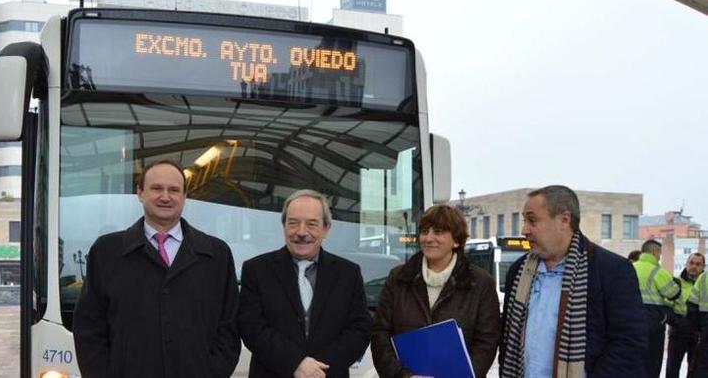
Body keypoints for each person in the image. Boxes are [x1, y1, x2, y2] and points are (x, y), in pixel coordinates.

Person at [73, 160, 241, 378]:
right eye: (156, 188)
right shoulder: (107, 252)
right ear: (140, 193)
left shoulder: (216, 254)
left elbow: (230, 326)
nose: (165, 197)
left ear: (184, 196)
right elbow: (89, 327)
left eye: (174, 190)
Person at [500, 185, 647, 378]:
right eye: (524, 220)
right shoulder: (519, 271)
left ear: (564, 219)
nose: (524, 229)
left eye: (532, 220)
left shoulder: (612, 270)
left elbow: (629, 342)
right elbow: (507, 339)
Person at [238, 189, 370, 378]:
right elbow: (251, 326)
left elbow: (359, 330)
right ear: (283, 225)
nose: (301, 232)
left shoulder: (348, 273)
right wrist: (295, 363)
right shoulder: (256, 270)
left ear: (326, 228)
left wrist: (316, 370)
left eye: (311, 224)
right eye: (293, 223)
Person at [371, 204, 500, 378]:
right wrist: (403, 376)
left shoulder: (481, 283)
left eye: (438, 232)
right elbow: (380, 334)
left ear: (456, 240)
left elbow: (487, 342)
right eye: (424, 231)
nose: (428, 238)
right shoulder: (398, 278)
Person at [633, 239, 682, 378]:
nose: (659, 257)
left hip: (630, 324)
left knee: (632, 364)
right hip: (652, 325)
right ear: (655, 252)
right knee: (652, 365)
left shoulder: (630, 267)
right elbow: (673, 294)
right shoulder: (658, 271)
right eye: (659, 253)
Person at [667, 253, 706, 378]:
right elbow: (667, 305)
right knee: (672, 368)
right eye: (691, 263)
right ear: (686, 264)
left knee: (694, 369)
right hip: (678, 332)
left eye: (698, 264)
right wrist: (675, 322)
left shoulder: (704, 283)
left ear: (703, 266)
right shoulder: (676, 282)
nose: (694, 266)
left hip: (697, 334)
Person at [688, 270, 708, 378]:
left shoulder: (704, 277)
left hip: (705, 328)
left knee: (703, 366)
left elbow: (692, 304)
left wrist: (699, 327)